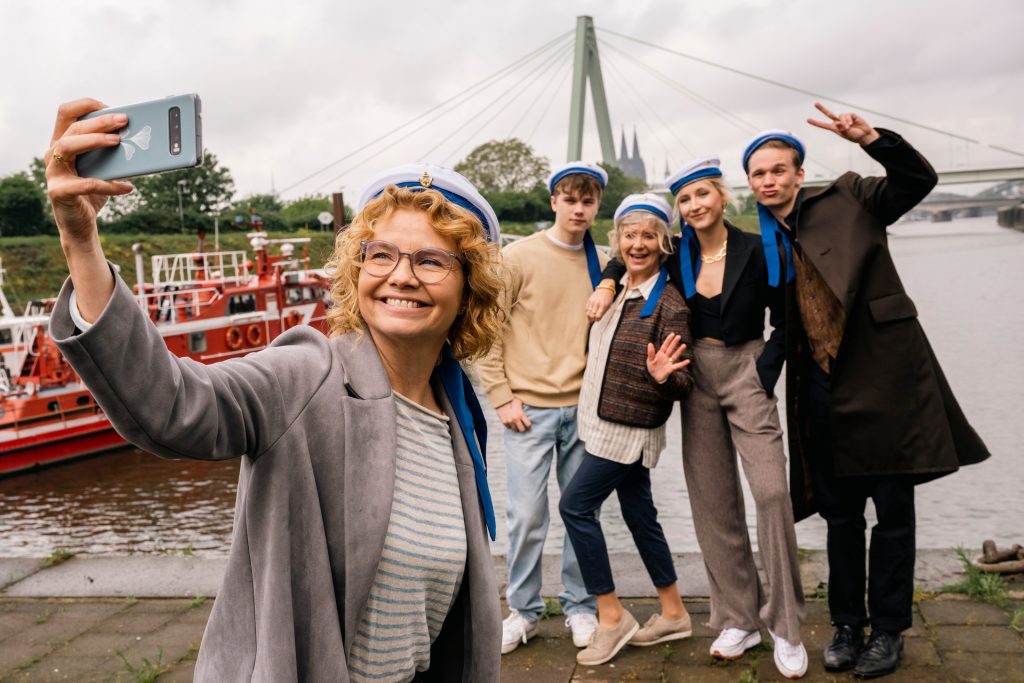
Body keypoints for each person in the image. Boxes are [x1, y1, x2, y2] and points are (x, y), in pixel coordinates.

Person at [45, 98, 505, 682]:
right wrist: (80, 241)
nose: (401, 275)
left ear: (471, 287)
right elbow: (169, 406)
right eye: (381, 254)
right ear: (356, 270)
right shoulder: (306, 376)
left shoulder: (457, 412)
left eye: (432, 260)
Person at [743, 103, 990, 679]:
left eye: (778, 170)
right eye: (758, 174)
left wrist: (872, 139)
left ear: (799, 174)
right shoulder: (765, 241)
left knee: (895, 516)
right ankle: (848, 625)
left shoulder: (852, 197)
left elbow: (918, 180)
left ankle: (889, 631)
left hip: (887, 383)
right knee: (841, 518)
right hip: (820, 392)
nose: (769, 181)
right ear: (750, 183)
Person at [590, 160, 808, 679]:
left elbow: (787, 317)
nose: (694, 206)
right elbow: (630, 254)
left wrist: (764, 371)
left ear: (721, 196)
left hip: (746, 369)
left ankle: (786, 625)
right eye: (684, 200)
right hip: (695, 375)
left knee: (772, 492)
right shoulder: (678, 252)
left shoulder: (758, 247)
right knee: (713, 501)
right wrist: (606, 281)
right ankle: (738, 618)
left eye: (702, 195)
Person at [475, 161, 608, 654]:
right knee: (526, 515)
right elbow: (486, 330)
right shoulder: (518, 257)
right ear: (554, 201)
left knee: (581, 514)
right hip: (527, 409)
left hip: (587, 410)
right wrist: (501, 397)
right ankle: (523, 610)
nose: (579, 208)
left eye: (588, 200)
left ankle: (580, 606)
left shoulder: (604, 261)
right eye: (570, 199)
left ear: (597, 206)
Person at [558, 194, 694, 666]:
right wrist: (609, 282)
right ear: (620, 243)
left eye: (648, 237)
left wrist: (665, 376)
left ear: (663, 244)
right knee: (640, 515)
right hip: (600, 422)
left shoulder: (669, 305)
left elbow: (684, 380)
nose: (638, 245)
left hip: (628, 429)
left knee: (575, 507)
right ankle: (675, 612)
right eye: (630, 236)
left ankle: (611, 618)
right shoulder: (617, 288)